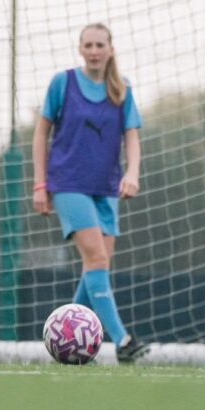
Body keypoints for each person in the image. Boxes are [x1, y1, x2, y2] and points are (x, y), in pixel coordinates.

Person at [31, 22, 150, 363]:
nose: (94, 51)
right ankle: (123, 340)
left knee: (96, 265)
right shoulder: (62, 83)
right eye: (89, 45)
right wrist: (40, 184)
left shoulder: (122, 89)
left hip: (107, 187)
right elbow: (41, 134)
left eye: (100, 45)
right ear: (80, 49)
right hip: (68, 184)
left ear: (110, 49)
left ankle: (66, 339)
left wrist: (133, 173)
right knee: (96, 258)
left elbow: (131, 135)